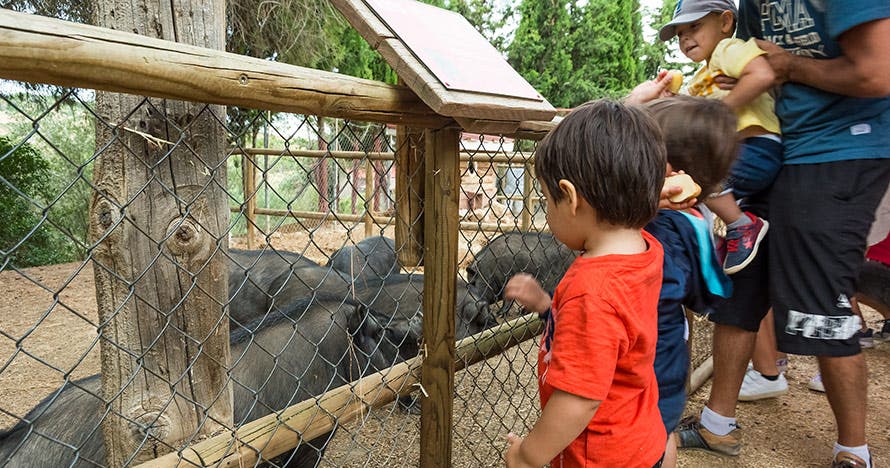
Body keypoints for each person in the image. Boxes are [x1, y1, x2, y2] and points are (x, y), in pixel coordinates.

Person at [675, 2, 890, 467]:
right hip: (778, 148)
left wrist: (786, 67)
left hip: (840, 147)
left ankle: (853, 452)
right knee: (741, 282)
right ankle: (716, 426)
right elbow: (757, 68)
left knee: (822, 300)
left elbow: (877, 71)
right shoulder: (751, 6)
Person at [501, 100, 667, 468]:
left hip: (602, 457)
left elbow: (579, 399)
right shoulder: (644, 250)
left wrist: (528, 456)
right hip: (642, 436)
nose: (547, 211)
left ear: (571, 198)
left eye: (547, 200)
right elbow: (611, 336)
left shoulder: (592, 289)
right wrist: (548, 307)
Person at [643, 95, 737, 468]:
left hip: (647, 361)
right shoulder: (692, 219)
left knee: (644, 436)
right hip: (670, 356)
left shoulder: (659, 230)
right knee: (662, 431)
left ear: (672, 175)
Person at [655, 0, 782, 275]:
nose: (685, 38)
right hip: (741, 152)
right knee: (686, 179)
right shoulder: (702, 77)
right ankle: (722, 233)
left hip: (756, 148)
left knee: (697, 176)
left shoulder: (728, 50)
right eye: (680, 34)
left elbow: (762, 74)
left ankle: (741, 226)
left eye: (694, 26)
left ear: (725, 23)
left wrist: (719, 112)